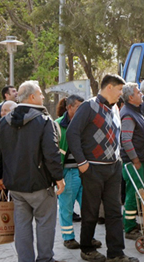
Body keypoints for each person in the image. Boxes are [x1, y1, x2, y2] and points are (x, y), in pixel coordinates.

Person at [0, 80, 65, 262]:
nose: (43, 96)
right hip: (40, 184)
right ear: (32, 97)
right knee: (45, 224)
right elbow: (51, 153)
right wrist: (59, 178)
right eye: (40, 93)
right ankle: (45, 259)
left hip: (15, 185)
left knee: (22, 226)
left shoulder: (3, 123)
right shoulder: (44, 121)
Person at [67, 74, 138, 262]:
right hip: (93, 169)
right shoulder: (88, 106)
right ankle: (87, 249)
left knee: (114, 211)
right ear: (109, 88)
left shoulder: (115, 108)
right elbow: (72, 133)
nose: (121, 94)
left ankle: (116, 253)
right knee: (90, 211)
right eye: (119, 89)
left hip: (113, 168)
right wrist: (82, 163)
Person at [56, 95, 101, 250]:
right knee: (66, 207)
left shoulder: (87, 124)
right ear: (69, 107)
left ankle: (88, 237)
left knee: (89, 208)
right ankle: (68, 238)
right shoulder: (57, 126)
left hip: (86, 172)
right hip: (68, 172)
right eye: (79, 107)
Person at [119, 83, 144, 240]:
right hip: (133, 163)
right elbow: (126, 140)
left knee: (136, 193)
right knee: (133, 194)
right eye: (138, 92)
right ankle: (130, 228)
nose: (141, 94)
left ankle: (130, 222)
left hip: (137, 161)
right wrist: (135, 159)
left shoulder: (134, 111)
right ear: (131, 97)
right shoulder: (128, 114)